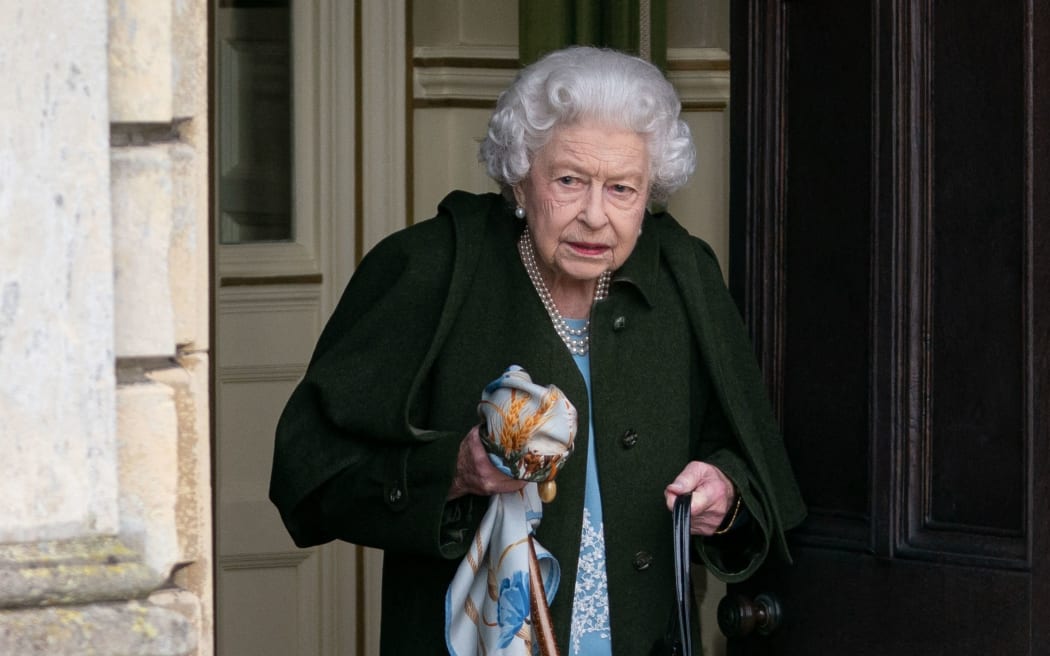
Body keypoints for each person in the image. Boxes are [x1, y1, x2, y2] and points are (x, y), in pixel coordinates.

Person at [269, 46, 805, 655]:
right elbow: (307, 475)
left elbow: (745, 461)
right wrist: (454, 472)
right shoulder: (430, 268)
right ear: (521, 176)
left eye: (623, 188)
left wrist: (723, 493)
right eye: (570, 180)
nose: (595, 216)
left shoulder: (684, 275)